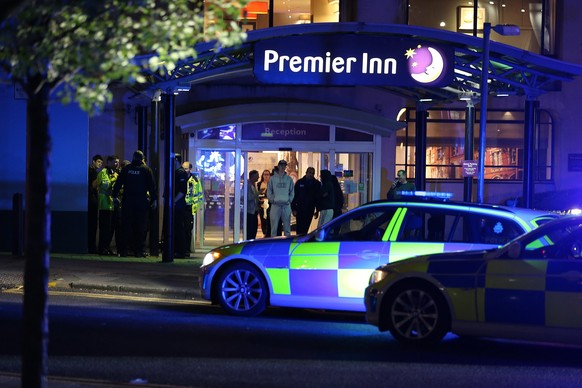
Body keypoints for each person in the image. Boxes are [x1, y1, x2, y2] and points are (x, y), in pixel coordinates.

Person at [112, 150, 157, 258]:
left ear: (133, 157)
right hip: (141, 202)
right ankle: (139, 251)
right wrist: (154, 199)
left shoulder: (126, 169)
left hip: (128, 201)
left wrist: (114, 196)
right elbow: (152, 186)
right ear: (142, 159)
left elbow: (118, 183)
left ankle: (124, 251)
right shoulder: (146, 170)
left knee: (126, 227)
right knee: (140, 227)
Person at [96, 155, 119, 255]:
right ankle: (102, 249)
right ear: (108, 162)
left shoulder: (115, 174)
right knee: (105, 228)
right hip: (104, 205)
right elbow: (106, 186)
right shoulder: (103, 172)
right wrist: (114, 179)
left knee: (110, 229)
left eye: (118, 162)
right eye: (115, 162)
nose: (117, 164)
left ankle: (107, 247)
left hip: (112, 206)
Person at [267, 160, 294, 237]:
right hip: (275, 206)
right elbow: (269, 191)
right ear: (278, 166)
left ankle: (287, 246)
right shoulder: (272, 179)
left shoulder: (289, 179)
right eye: (281, 165)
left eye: (284, 165)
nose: (283, 167)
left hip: (286, 205)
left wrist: (289, 200)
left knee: (287, 229)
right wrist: (273, 200)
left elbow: (292, 191)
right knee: (274, 229)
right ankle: (273, 245)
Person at [291, 167, 321, 235]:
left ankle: (303, 241)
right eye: (310, 172)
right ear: (306, 172)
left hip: (310, 209)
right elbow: (294, 196)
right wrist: (293, 209)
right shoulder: (299, 182)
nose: (311, 174)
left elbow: (317, 198)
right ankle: (298, 241)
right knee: (299, 228)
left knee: (305, 228)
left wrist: (317, 210)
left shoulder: (316, 184)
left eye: (312, 173)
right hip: (300, 208)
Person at [173, 157, 190, 258]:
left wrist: (174, 201)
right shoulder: (176, 172)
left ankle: (180, 251)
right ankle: (178, 250)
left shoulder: (180, 173)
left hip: (179, 205)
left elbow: (183, 190)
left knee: (179, 228)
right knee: (177, 227)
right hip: (178, 204)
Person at [88, 154, 103, 253]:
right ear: (93, 161)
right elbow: (94, 185)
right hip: (92, 199)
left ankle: (91, 246)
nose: (100, 164)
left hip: (91, 199)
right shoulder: (93, 172)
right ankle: (92, 247)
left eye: (101, 163)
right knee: (92, 224)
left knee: (92, 225)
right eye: (98, 162)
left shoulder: (91, 171)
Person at [246, 170, 260, 240]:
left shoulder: (254, 185)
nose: (258, 177)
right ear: (253, 177)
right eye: (257, 176)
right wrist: (258, 193)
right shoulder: (248, 185)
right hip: (250, 211)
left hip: (255, 210)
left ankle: (252, 240)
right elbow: (249, 197)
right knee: (250, 229)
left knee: (254, 228)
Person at [257, 169, 272, 237]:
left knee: (269, 218)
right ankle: (264, 232)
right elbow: (257, 193)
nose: (266, 176)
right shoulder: (259, 184)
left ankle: (268, 232)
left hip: (269, 202)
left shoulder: (271, 183)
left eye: (267, 174)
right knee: (263, 218)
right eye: (264, 174)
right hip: (262, 202)